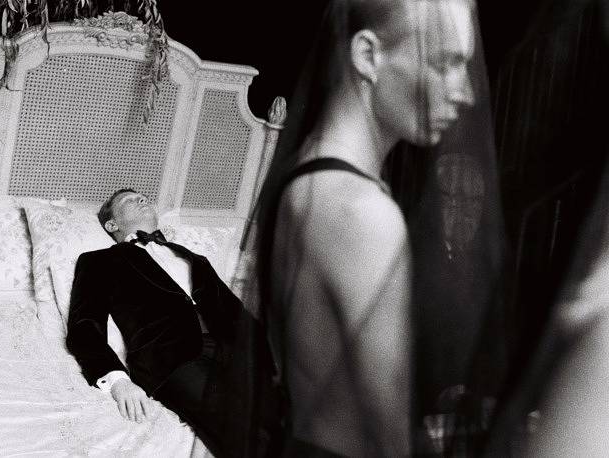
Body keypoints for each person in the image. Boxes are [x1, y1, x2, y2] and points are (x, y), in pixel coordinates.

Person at [254, 0, 506, 455]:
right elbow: (392, 440)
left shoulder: (305, 177)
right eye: (444, 64)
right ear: (368, 55)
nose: (466, 92)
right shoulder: (363, 213)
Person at [66, 188, 278, 458]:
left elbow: (237, 312)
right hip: (171, 358)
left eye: (143, 198)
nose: (142, 199)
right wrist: (118, 380)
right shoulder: (99, 261)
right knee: (241, 431)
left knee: (287, 416)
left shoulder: (194, 258)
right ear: (112, 225)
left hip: (234, 349)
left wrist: (273, 354)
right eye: (129, 200)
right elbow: (84, 325)